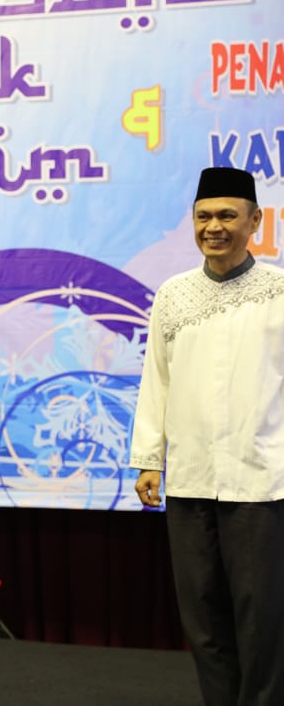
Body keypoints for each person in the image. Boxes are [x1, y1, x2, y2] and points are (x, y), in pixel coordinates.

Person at [131, 166, 284, 706]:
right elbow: (157, 379)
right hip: (190, 482)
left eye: (226, 216)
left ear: (255, 221)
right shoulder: (173, 295)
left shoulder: (279, 292)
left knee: (262, 621)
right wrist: (148, 459)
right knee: (203, 619)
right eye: (203, 216)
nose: (213, 227)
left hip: (262, 484)